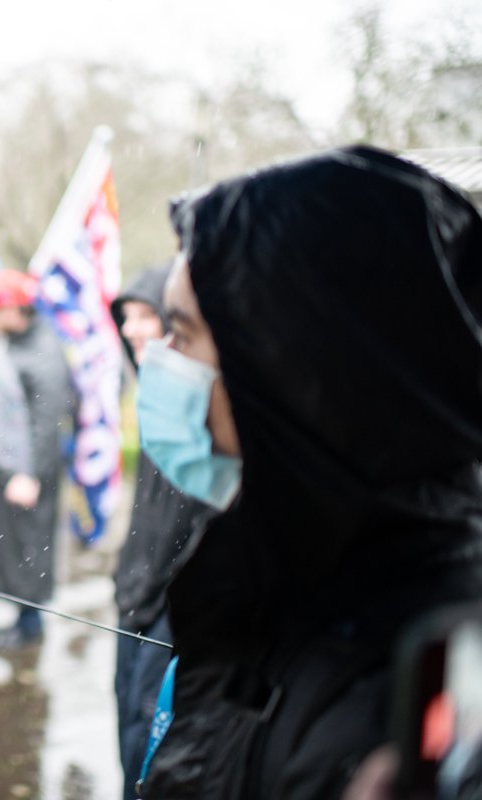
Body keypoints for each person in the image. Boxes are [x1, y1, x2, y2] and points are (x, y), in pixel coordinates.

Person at [134, 145, 482, 799]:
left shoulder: (414, 686)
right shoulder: (281, 569)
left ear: (285, 364)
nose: (157, 361)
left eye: (180, 335)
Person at [108, 264, 213, 800]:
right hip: (136, 590)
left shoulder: (202, 408)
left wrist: (157, 588)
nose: (133, 329)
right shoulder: (151, 396)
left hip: (172, 602)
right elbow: (148, 511)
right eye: (127, 318)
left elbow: (192, 515)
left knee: (151, 729)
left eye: (147, 315)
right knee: (125, 714)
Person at [0, 269, 74, 650]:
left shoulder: (42, 353)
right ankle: (21, 618)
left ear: (16, 310)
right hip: (12, 464)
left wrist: (29, 473)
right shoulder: (19, 341)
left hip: (30, 470)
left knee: (30, 544)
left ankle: (30, 624)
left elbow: (47, 422)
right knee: (15, 543)